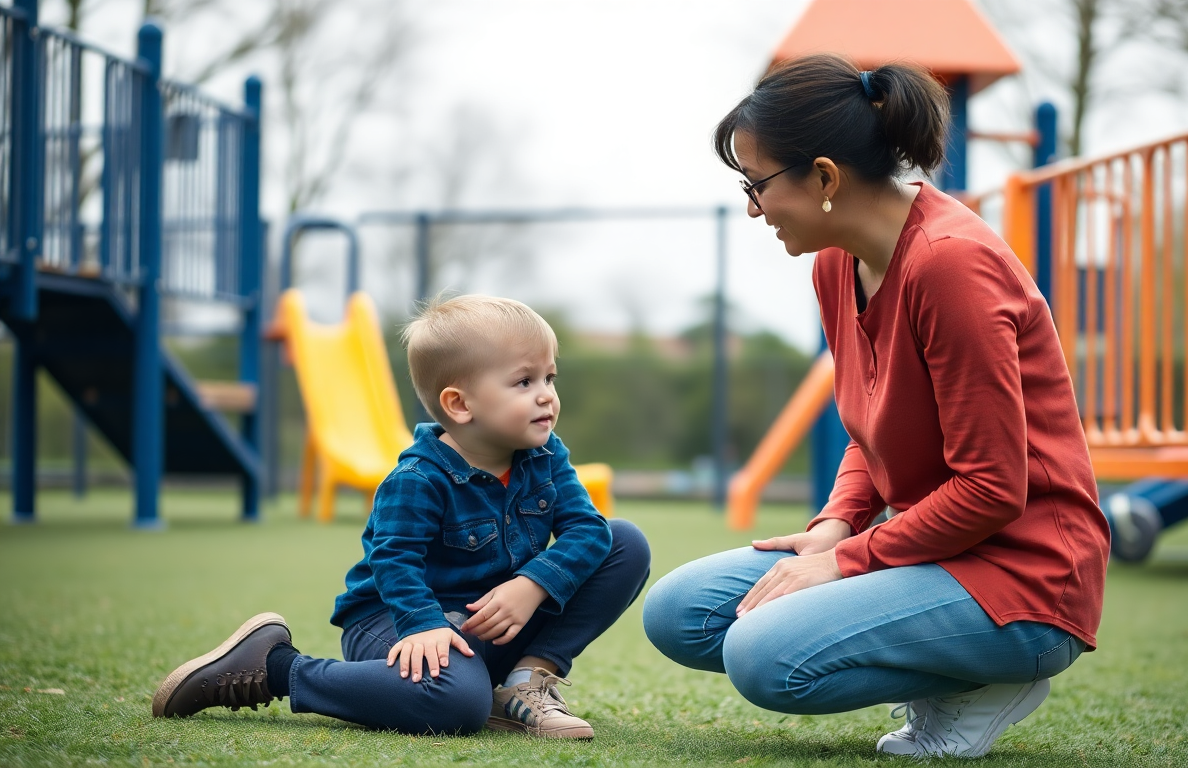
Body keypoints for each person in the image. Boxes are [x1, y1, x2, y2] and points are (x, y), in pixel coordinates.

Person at [642, 55, 1110, 759]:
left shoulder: (952, 267)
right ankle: (938, 650)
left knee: (763, 658)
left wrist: (849, 562)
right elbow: (869, 425)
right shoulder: (837, 261)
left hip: (1025, 576)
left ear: (825, 177)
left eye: (757, 184)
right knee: (683, 613)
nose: (751, 206)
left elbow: (992, 489)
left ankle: (986, 681)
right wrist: (835, 526)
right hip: (929, 554)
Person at [153, 295, 651, 738]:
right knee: (457, 702)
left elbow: (587, 530)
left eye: (549, 377)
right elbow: (393, 561)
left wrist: (534, 584)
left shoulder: (545, 457)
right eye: (524, 381)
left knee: (624, 542)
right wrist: (423, 624)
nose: (546, 394)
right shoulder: (418, 477)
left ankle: (525, 684)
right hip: (395, 620)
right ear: (459, 404)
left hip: (491, 619)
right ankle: (277, 668)